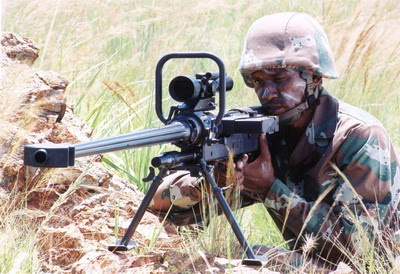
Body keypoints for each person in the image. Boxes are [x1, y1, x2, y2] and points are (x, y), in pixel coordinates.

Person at [149, 12, 400, 267]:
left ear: (314, 77)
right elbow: (158, 203)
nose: (267, 94)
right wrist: (215, 183)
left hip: (374, 267)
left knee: (245, 259)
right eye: (258, 82)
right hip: (314, 262)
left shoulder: (358, 137)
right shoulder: (260, 131)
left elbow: (363, 251)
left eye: (280, 80)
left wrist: (270, 189)